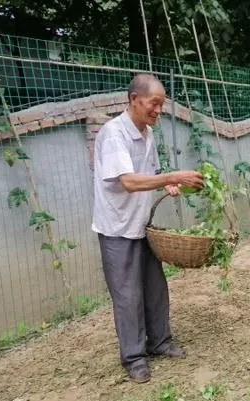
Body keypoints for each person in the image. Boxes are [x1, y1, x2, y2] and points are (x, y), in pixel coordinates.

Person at [91, 72, 204, 383]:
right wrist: (171, 177)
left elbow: (148, 173)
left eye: (162, 105)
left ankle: (159, 341)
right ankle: (134, 357)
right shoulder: (115, 134)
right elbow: (127, 181)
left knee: (155, 289)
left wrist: (165, 184)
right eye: (154, 103)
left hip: (143, 225)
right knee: (127, 296)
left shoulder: (147, 133)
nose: (158, 110)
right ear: (134, 100)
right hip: (117, 228)